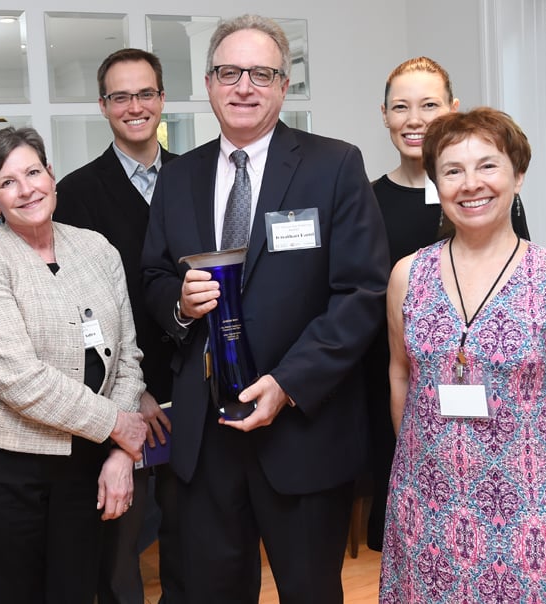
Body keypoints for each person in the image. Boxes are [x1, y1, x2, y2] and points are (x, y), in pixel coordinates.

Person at [141, 14, 389, 603]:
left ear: (283, 85)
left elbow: (363, 291)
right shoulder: (177, 177)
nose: (244, 86)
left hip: (301, 431)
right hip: (206, 436)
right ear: (209, 83)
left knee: (309, 590)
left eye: (261, 73)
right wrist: (178, 303)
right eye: (230, 72)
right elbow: (151, 273)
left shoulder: (334, 166)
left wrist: (288, 382)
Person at [380, 107, 546, 602]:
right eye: (452, 171)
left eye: (487, 165)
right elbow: (401, 377)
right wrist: (432, 454)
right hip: (427, 506)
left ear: (517, 175)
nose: (470, 184)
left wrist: (517, 446)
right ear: (437, 184)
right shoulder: (406, 277)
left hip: (528, 511)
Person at [0, 126, 148, 603]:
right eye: (8, 182)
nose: (27, 189)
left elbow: (128, 358)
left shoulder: (97, 248)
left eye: (33, 172)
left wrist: (121, 453)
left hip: (84, 459)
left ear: (51, 175)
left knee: (77, 590)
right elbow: (21, 382)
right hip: (1, 464)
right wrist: (120, 427)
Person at [364, 57, 533, 552]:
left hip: (489, 394)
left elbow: (520, 289)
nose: (415, 119)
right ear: (385, 116)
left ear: (453, 109)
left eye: (430, 105)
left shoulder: (486, 193)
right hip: (396, 383)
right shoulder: (365, 199)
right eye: (401, 107)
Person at [54, 48, 183, 604]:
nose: (136, 106)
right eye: (121, 96)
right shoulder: (78, 193)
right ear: (103, 105)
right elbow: (80, 305)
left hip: (197, 386)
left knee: (195, 536)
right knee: (119, 548)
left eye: (146, 93)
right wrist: (136, 395)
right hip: (120, 391)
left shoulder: (195, 176)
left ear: (162, 99)